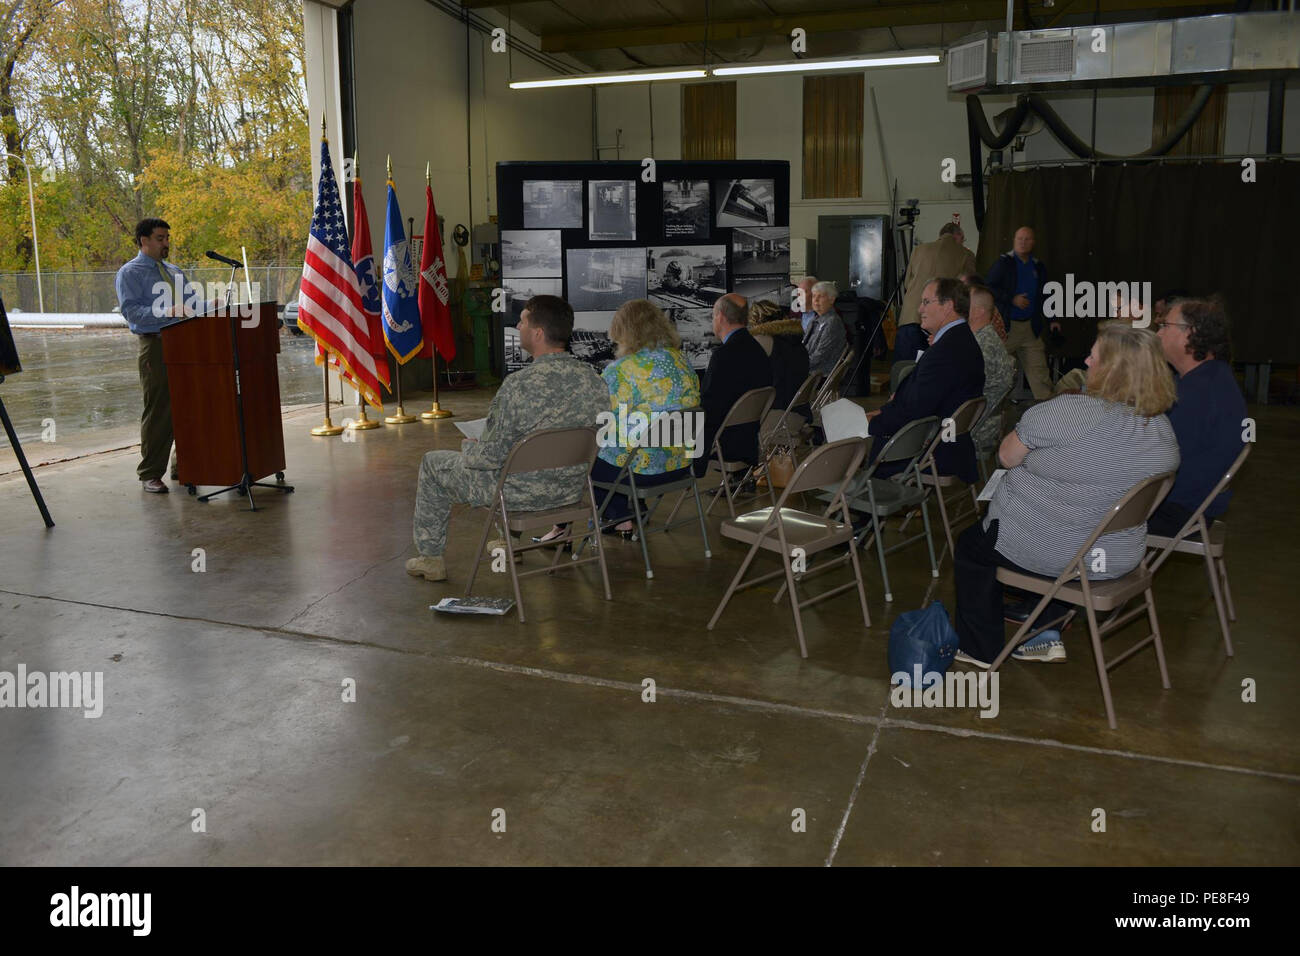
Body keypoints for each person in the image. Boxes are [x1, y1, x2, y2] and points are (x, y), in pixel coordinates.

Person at [952, 324, 1180, 667]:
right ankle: (1045, 628)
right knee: (1074, 517)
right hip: (1115, 556)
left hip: (1057, 555)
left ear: (1114, 370)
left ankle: (979, 649)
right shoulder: (1163, 430)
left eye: (1095, 355)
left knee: (972, 547)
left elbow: (1006, 456)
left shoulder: (1066, 412)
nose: (1086, 359)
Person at [406, 295, 609, 582]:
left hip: (516, 494)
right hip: (570, 490)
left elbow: (490, 456)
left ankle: (430, 559)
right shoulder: (595, 380)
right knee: (516, 452)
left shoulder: (518, 385)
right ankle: (509, 544)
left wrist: (470, 448)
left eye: (523, 321)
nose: (517, 325)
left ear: (537, 333)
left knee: (433, 463)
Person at [537, 299, 701, 542]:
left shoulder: (622, 370)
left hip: (641, 471)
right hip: (680, 465)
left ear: (624, 333)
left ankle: (562, 528)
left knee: (580, 454)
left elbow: (597, 418)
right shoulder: (682, 362)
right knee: (616, 445)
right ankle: (619, 519)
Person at [114, 217, 204, 493]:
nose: (166, 243)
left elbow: (191, 305)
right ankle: (150, 473)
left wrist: (209, 305)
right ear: (144, 241)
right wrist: (166, 312)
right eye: (160, 238)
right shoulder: (130, 273)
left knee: (190, 407)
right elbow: (131, 312)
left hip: (186, 343)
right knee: (160, 410)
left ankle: (186, 466)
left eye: (167, 238)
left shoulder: (175, 271)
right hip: (156, 344)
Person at [866, 278, 984, 483]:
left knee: (851, 447)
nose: (920, 309)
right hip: (950, 444)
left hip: (932, 452)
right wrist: (886, 410)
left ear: (948, 307)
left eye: (926, 302)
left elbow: (915, 412)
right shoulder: (961, 339)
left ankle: (856, 508)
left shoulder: (945, 351)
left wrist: (872, 423)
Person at [1149, 296, 1247, 536]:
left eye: (1164, 326)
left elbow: (1150, 460)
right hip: (1194, 505)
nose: (1157, 334)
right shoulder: (1210, 378)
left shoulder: (1197, 393)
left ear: (1189, 333)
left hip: (1176, 511)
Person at [695, 293, 773, 477]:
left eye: (713, 315)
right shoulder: (758, 350)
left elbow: (708, 406)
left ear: (720, 317)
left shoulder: (723, 356)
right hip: (747, 439)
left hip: (721, 442)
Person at [986, 226, 1055, 400]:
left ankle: (1050, 416)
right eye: (1020, 239)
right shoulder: (1004, 263)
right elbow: (989, 288)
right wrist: (1012, 299)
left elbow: (1046, 294)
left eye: (1027, 239)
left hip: (1031, 327)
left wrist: (1053, 319)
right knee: (998, 372)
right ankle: (990, 410)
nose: (1023, 243)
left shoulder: (1038, 267)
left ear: (1033, 242)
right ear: (1014, 241)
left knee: (1040, 374)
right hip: (1008, 328)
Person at [898, 223, 977, 363]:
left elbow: (906, 284)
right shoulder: (966, 255)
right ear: (957, 236)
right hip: (939, 324)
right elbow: (968, 288)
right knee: (933, 371)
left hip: (909, 317)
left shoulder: (919, 250)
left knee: (903, 370)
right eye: (963, 239)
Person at [966, 284, 1016, 454]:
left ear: (979, 311)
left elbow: (961, 391)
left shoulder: (981, 346)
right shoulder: (987, 338)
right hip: (985, 424)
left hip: (970, 430)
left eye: (966, 304)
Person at [749, 298, 810, 410]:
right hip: (800, 411)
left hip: (777, 413)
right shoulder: (795, 339)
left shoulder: (763, 341)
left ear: (755, 321)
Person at [803, 280, 847, 377]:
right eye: (814, 296)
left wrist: (799, 365)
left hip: (820, 374)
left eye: (820, 296)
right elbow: (804, 347)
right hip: (810, 369)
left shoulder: (832, 322)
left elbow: (821, 355)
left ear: (832, 300)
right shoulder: (815, 320)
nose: (815, 300)